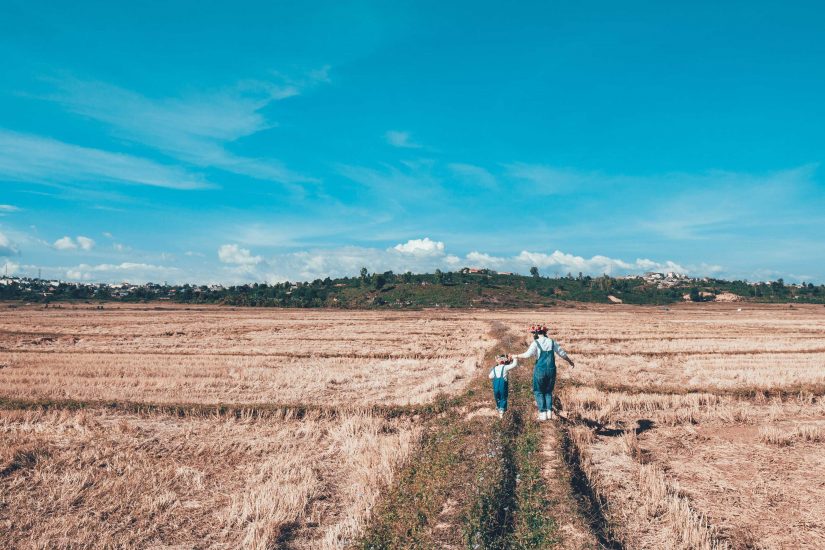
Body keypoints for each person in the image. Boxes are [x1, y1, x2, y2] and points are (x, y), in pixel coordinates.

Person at [513, 323, 574, 421]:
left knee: (538, 391)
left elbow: (527, 355)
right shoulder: (552, 342)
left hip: (540, 370)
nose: (533, 335)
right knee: (548, 392)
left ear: (536, 333)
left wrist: (515, 356)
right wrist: (570, 362)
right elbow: (562, 353)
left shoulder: (536, 343)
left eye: (533, 333)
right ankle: (549, 413)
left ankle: (542, 414)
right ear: (545, 332)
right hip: (551, 370)